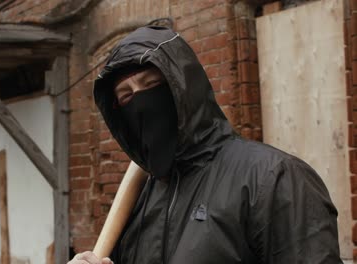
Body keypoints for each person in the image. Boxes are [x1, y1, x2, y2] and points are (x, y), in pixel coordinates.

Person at [68, 26, 342, 264]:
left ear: (184, 89)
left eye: (152, 84)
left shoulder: (273, 178)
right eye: (126, 96)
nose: (141, 104)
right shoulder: (139, 196)